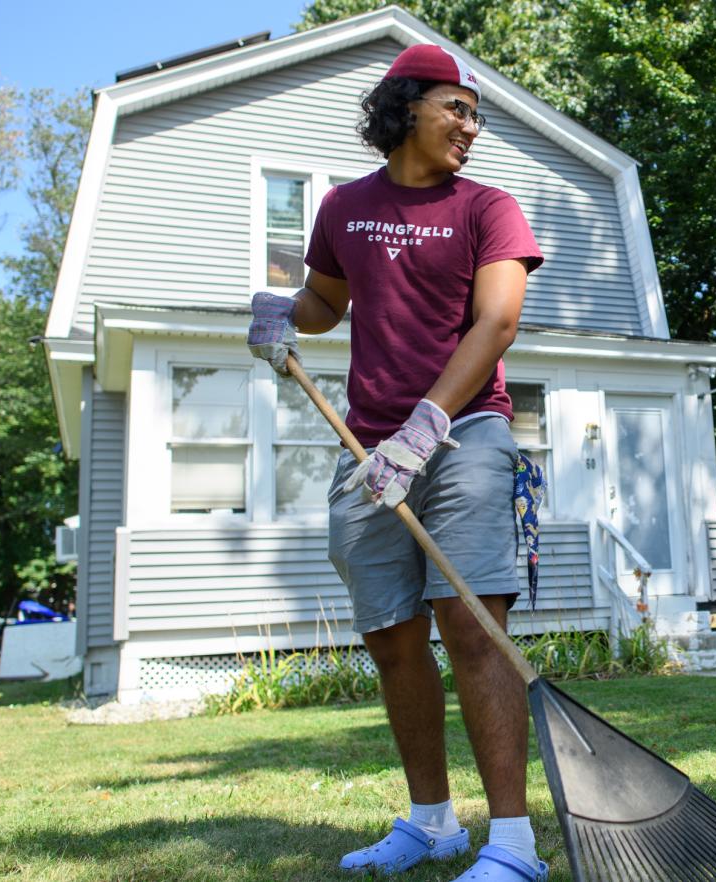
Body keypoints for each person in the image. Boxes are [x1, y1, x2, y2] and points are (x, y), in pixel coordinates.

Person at [246, 44, 548, 881]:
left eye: (476, 115)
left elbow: (496, 324)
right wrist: (278, 313)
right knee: (390, 637)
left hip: (465, 438)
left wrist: (426, 424)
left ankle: (514, 847)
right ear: (407, 103)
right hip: (367, 446)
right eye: (457, 108)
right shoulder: (343, 207)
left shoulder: (489, 208)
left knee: (474, 632)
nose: (470, 127)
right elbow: (324, 303)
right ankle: (432, 824)